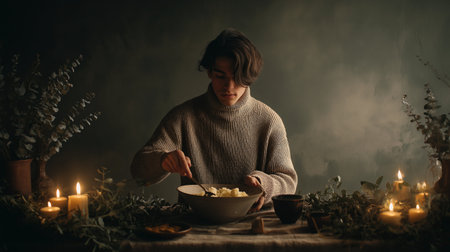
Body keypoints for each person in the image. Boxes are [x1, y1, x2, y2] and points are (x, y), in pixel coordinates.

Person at [130, 28, 297, 212]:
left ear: (249, 77)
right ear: (209, 72)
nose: (229, 86)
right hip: (194, 225)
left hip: (252, 226)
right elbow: (138, 172)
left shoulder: (269, 121)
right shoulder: (183, 116)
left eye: (238, 78)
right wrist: (162, 160)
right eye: (220, 76)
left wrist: (263, 184)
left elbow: (288, 181)